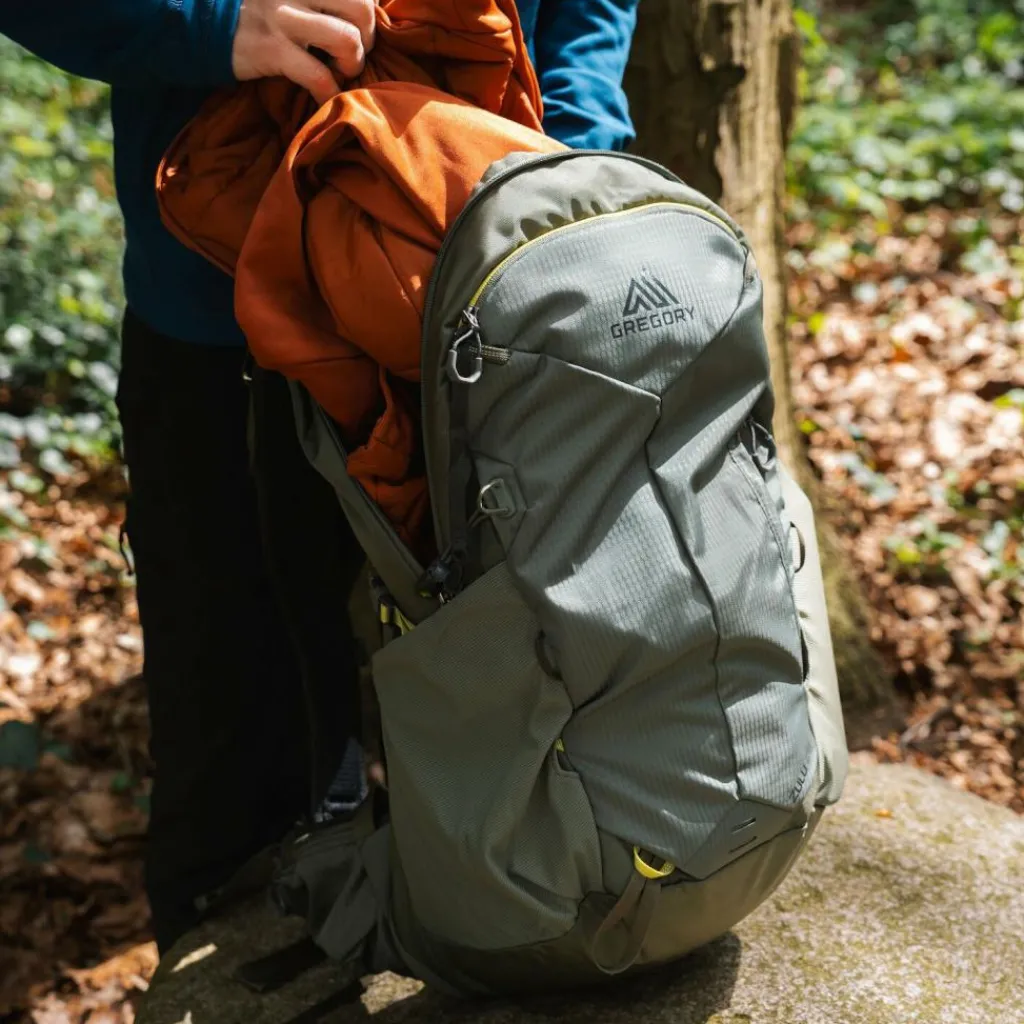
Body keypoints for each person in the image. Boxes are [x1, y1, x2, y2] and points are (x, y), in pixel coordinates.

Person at [0, 0, 641, 955]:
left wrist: (571, 165)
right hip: (226, 311)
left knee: (521, 722)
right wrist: (215, 23)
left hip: (495, 287)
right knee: (235, 789)